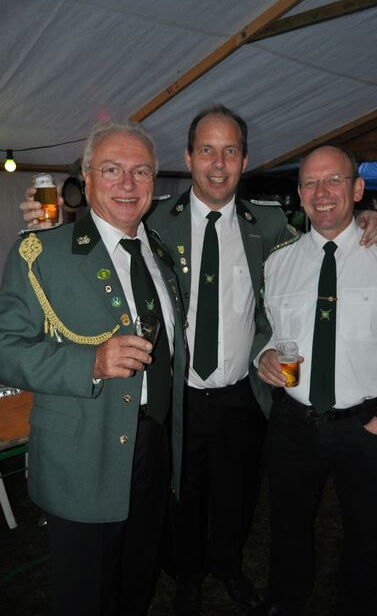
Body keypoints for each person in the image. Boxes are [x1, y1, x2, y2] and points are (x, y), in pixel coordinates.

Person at [19, 107, 377, 616]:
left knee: (237, 492)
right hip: (176, 394)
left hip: (241, 392)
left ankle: (228, 567)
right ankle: (187, 577)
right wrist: (56, 223)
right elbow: (99, 238)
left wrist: (367, 218)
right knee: (180, 495)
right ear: (189, 158)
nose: (218, 164)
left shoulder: (270, 223)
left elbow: (317, 246)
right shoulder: (152, 217)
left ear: (245, 160)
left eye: (230, 151)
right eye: (207, 150)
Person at [0, 121, 186, 616]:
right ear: (86, 177)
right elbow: (5, 349)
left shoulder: (160, 254)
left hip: (154, 445)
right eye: (111, 169)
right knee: (87, 596)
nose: (127, 183)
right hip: (82, 454)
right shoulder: (42, 252)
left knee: (137, 579)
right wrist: (92, 363)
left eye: (140, 171)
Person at [256, 145, 377, 616]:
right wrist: (263, 356)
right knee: (288, 526)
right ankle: (287, 602)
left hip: (367, 424)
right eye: (310, 182)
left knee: (367, 533)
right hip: (293, 421)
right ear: (299, 194)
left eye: (333, 180)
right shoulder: (279, 262)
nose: (321, 192)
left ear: (357, 189)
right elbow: (269, 330)